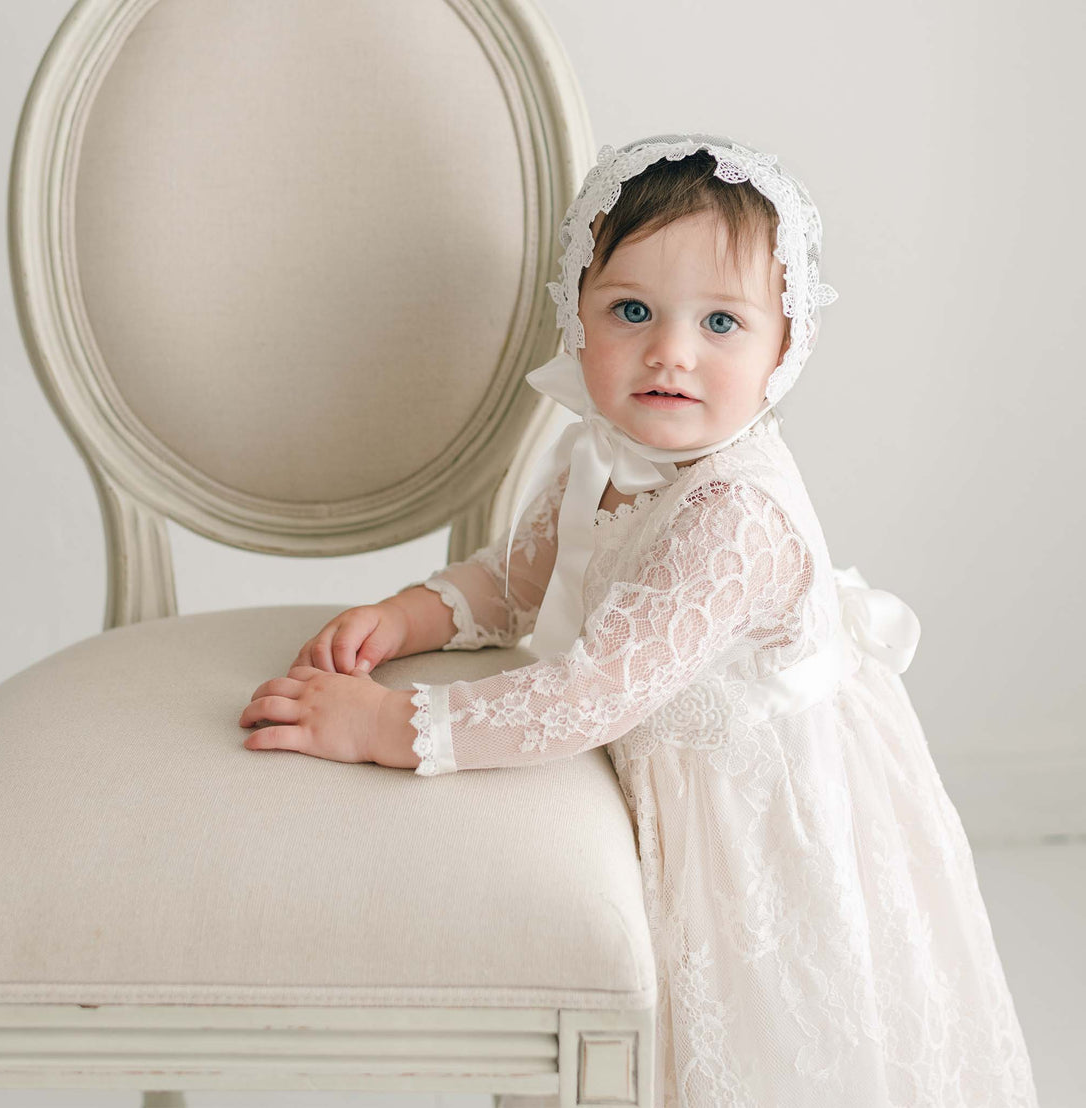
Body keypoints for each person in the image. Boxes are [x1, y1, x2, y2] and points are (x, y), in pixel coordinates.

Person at [239, 134, 1040, 1106]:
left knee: (749, 1039)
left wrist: (379, 726)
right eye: (631, 310)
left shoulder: (735, 514)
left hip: (750, 806)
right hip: (655, 759)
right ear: (577, 319)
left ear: (784, 345)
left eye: (720, 322)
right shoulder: (602, 450)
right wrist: (407, 617)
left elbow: (587, 695)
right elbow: (519, 579)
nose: (671, 351)